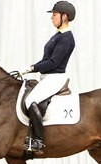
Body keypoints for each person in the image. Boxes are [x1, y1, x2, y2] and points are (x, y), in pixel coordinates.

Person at [22, 1, 76, 154]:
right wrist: (30, 68)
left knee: (29, 101)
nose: (52, 18)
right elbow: (46, 60)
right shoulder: (58, 36)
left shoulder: (66, 38)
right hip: (46, 77)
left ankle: (38, 141)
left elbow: (53, 63)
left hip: (55, 77)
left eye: (54, 15)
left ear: (64, 17)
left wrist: (32, 68)